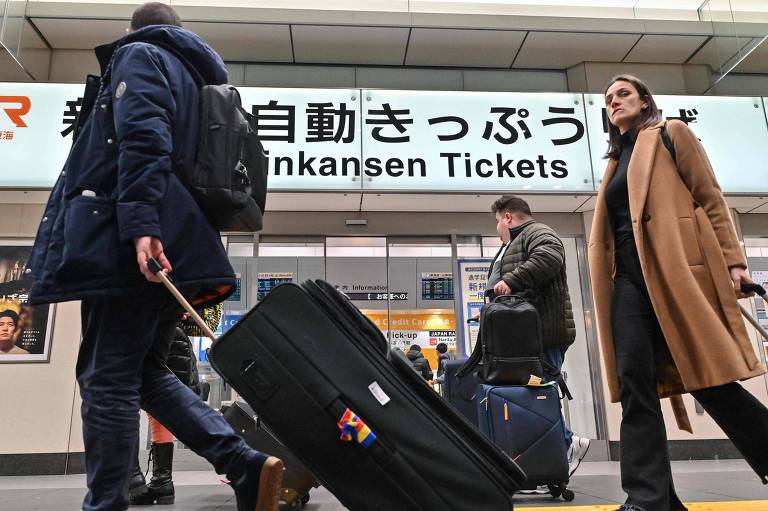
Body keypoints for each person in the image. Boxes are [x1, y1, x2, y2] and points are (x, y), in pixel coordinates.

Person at [25, 3, 283, 510]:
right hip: (181, 242)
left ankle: (106, 504)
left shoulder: (140, 55)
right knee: (143, 372)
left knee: (106, 377)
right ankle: (243, 463)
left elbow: (143, 138)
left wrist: (140, 224)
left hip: (133, 245)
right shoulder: (197, 78)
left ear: (133, 28)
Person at [589, 74, 768, 511]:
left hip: (676, 275)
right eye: (609, 99)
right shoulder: (615, 161)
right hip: (628, 283)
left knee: (708, 380)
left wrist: (734, 262)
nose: (614, 102)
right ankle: (649, 500)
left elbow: (710, 197)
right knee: (635, 385)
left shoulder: (671, 134)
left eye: (623, 94)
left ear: (645, 99)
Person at [487, 195, 590, 475]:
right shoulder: (516, 242)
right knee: (534, 395)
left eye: (498, 221)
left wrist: (511, 280)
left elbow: (548, 258)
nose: (497, 228)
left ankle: (568, 444)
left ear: (508, 217)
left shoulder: (538, 232)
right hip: (527, 336)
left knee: (539, 393)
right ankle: (554, 453)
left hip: (541, 334)